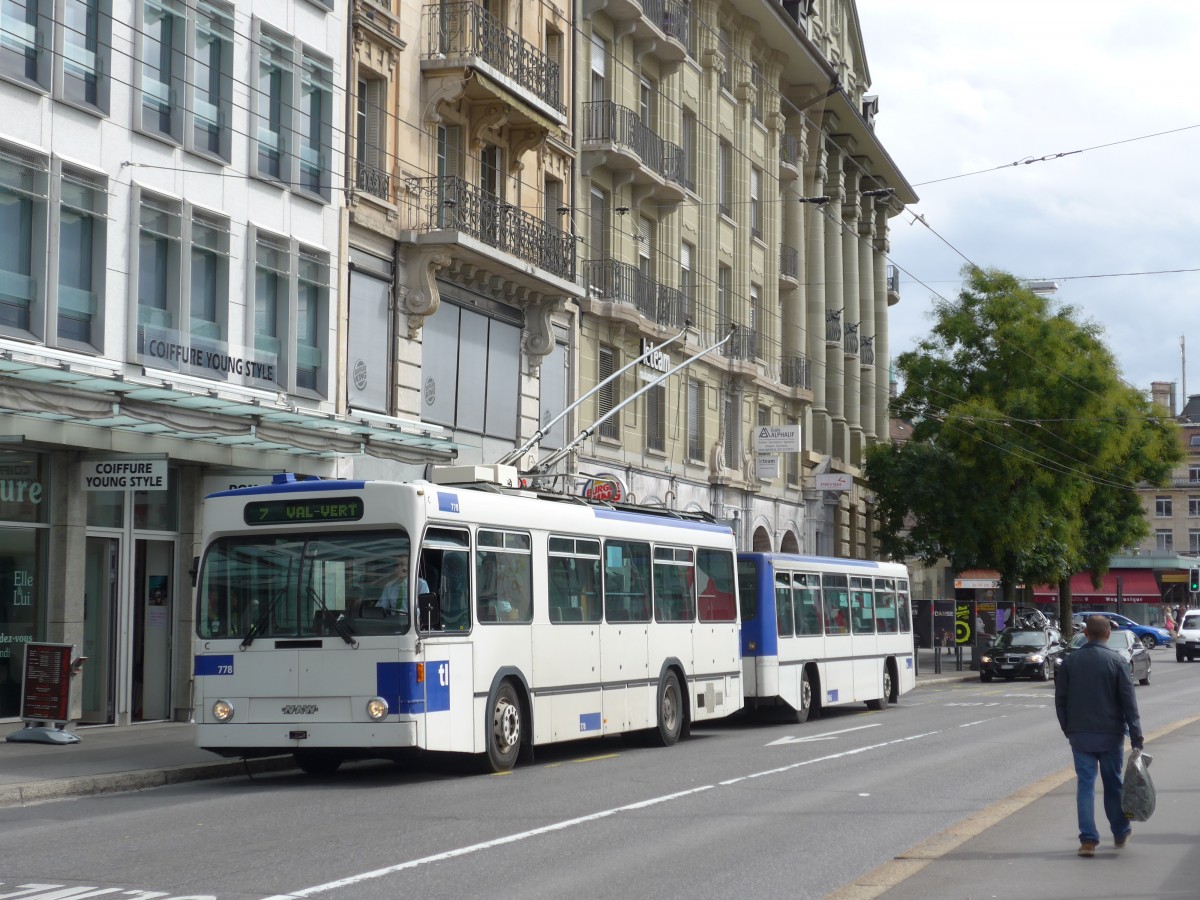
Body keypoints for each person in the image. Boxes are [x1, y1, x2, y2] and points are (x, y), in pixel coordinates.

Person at [1054, 614, 1143, 857]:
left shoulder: (1070, 662)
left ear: (1085, 634)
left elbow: (1060, 700)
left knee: (1085, 785)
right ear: (1107, 635)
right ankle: (1120, 830)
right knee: (1113, 784)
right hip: (1111, 734)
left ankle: (1088, 840)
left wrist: (1068, 728)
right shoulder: (1117, 661)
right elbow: (1129, 703)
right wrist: (1136, 736)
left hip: (1080, 734)